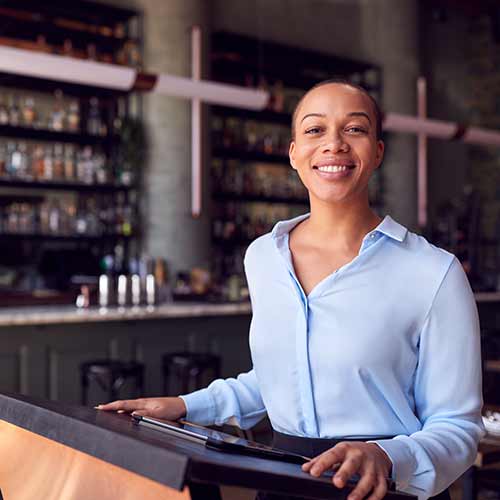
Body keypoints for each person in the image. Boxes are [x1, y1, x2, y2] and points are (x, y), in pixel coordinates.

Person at [97, 80, 484, 500]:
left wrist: (388, 456)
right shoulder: (263, 257)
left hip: (386, 489)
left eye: (354, 129)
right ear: (294, 152)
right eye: (315, 130)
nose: (333, 144)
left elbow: (459, 427)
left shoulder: (433, 271)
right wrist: (184, 406)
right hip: (283, 479)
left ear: (377, 152)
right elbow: (281, 380)